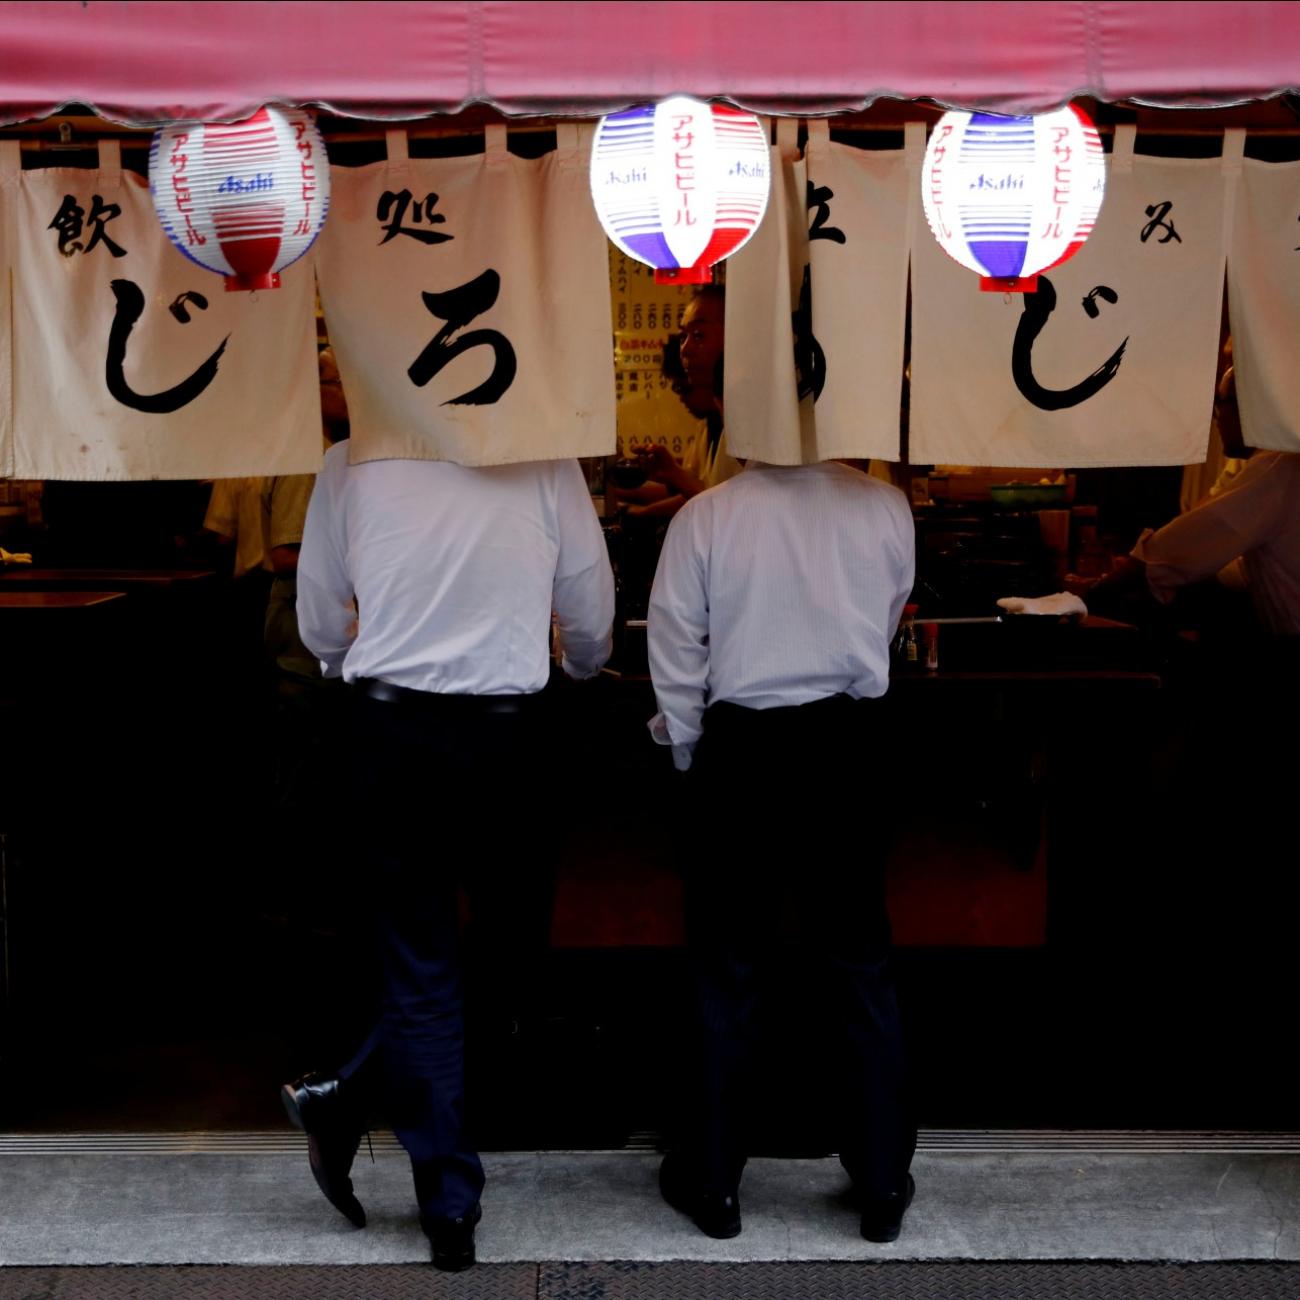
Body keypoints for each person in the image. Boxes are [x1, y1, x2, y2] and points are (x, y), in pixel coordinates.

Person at [285, 443, 614, 1271]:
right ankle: (447, 1199)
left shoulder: (351, 459)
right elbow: (589, 601)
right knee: (498, 951)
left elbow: (320, 611)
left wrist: (342, 661)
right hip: (508, 730)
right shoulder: (543, 457)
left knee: (426, 960)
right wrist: (580, 664)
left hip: (393, 726)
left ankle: (357, 1102)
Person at [646, 453, 918, 1243]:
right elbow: (891, 613)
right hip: (850, 739)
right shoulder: (886, 507)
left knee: (728, 966)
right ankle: (880, 1184)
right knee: (861, 961)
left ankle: (715, 1181)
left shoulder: (708, 515)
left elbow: (673, 646)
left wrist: (694, 751)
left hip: (745, 746)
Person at [613, 286, 742, 520]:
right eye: (684, 336)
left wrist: (642, 514)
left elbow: (733, 513)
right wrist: (671, 473)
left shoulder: (749, 424)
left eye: (699, 335)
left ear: (738, 333)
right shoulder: (716, 423)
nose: (686, 349)